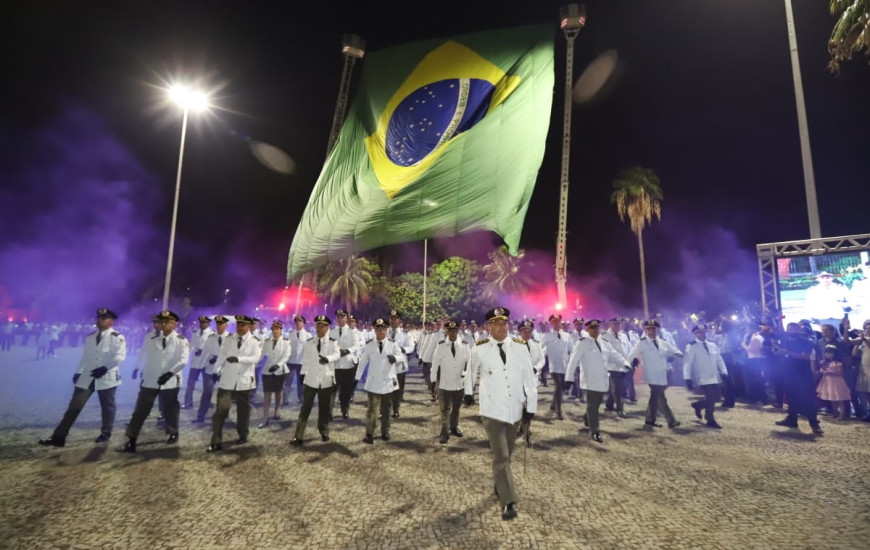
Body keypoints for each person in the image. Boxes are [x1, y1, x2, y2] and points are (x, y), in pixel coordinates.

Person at [464, 307, 538, 521]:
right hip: (492, 411)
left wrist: (530, 407)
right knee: (501, 455)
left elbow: (528, 378)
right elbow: (470, 372)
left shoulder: (520, 347)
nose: (500, 327)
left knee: (508, 452)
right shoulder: (479, 349)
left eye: (504, 323)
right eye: (495, 324)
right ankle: (508, 502)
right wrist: (469, 393)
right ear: (488, 327)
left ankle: (500, 483)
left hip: (515, 410)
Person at [38, 308, 126, 447]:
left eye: (104, 318)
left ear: (111, 321)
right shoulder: (91, 337)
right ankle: (59, 437)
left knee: (107, 406)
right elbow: (86, 357)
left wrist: (104, 368)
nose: (100, 320)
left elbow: (119, 357)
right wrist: (78, 371)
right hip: (88, 376)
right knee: (74, 406)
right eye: (99, 318)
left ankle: (106, 432)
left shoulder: (117, 337)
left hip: (107, 376)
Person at [117, 310, 189, 453]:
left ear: (174, 324)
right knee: (140, 411)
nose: (162, 324)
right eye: (161, 322)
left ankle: (173, 431)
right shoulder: (151, 338)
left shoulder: (181, 340)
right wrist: (137, 368)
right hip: (150, 380)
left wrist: (169, 373)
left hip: (170, 381)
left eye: (166, 322)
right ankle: (131, 440)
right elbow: (143, 353)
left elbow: (183, 360)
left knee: (171, 409)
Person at [207, 314, 262, 452]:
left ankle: (243, 434)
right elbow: (222, 356)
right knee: (221, 410)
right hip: (228, 380)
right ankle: (216, 440)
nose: (240, 327)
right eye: (238, 324)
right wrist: (216, 371)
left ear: (249, 326)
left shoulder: (255, 341)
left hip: (244, 381)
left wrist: (239, 359)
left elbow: (256, 359)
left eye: (243, 325)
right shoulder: (229, 339)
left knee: (243, 411)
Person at [566, 320, 627, 443]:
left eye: (596, 328)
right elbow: (573, 360)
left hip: (602, 379)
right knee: (593, 406)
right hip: (589, 380)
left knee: (597, 403)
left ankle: (586, 416)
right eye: (592, 328)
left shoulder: (604, 342)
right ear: (588, 329)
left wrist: (625, 363)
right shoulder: (582, 343)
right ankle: (595, 431)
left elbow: (614, 354)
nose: (595, 330)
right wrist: (569, 378)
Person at [290, 314, 341, 446]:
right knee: (305, 408)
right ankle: (298, 435)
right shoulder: (309, 342)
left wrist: (328, 358)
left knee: (324, 408)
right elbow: (306, 360)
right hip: (311, 379)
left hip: (325, 379)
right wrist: (302, 373)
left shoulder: (332, 342)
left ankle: (324, 431)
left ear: (327, 327)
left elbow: (337, 354)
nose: (319, 328)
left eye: (322, 326)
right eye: (317, 325)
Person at [627, 319, 683, 429]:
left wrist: (677, 353)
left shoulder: (662, 341)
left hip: (661, 373)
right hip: (651, 374)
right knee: (660, 396)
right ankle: (671, 420)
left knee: (655, 396)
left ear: (657, 330)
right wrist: (626, 364)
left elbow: (672, 349)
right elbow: (632, 353)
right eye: (648, 329)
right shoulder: (642, 342)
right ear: (645, 330)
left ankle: (650, 419)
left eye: (653, 329)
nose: (650, 331)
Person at [355, 318, 404, 443]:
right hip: (374, 382)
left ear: (386, 330)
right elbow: (363, 361)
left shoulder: (393, 344)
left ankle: (385, 431)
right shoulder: (369, 344)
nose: (380, 331)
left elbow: (401, 356)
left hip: (388, 381)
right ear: (374, 330)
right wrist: (357, 377)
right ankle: (369, 434)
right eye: (378, 329)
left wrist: (395, 358)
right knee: (372, 410)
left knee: (386, 409)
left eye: (382, 329)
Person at [775, 323, 824, 436]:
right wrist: (778, 351)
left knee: (808, 399)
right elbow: (779, 351)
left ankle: (814, 424)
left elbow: (805, 356)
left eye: (793, 328)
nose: (791, 330)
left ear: (798, 329)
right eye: (789, 328)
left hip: (802, 374)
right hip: (788, 373)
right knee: (792, 398)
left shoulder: (805, 340)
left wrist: (787, 352)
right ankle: (792, 419)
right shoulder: (785, 339)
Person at [682, 323, 728, 429]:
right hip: (702, 377)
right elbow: (687, 363)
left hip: (714, 376)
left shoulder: (712, 345)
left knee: (717, 397)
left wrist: (724, 372)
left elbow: (719, 359)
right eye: (700, 333)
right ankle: (710, 419)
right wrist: (687, 378)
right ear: (695, 334)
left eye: (704, 332)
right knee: (711, 397)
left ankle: (698, 405)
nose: (703, 334)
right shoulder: (692, 346)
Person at [431, 321, 470, 444]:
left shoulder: (464, 345)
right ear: (447, 331)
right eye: (450, 331)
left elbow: (469, 363)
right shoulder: (441, 345)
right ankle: (444, 432)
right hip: (445, 384)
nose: (453, 333)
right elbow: (435, 362)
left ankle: (453, 427)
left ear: (458, 331)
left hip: (459, 383)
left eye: (455, 330)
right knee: (445, 409)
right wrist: (433, 380)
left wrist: (466, 375)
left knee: (456, 409)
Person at [193, 315, 230, 423]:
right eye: (217, 324)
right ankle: (200, 416)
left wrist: (220, 359)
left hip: (224, 369)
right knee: (207, 393)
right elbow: (205, 353)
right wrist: (200, 367)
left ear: (226, 325)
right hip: (210, 368)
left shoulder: (231, 338)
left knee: (224, 394)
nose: (219, 326)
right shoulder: (211, 337)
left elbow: (233, 354)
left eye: (221, 324)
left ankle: (222, 415)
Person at [329, 309, 362, 419]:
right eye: (338, 317)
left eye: (342, 316)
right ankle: (329, 411)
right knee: (332, 389)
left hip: (348, 364)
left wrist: (347, 351)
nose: (340, 319)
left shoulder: (352, 331)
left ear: (346, 318)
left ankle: (345, 409)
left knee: (346, 390)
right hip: (335, 364)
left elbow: (357, 345)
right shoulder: (332, 331)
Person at [258, 319, 291, 428]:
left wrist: (278, 365)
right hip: (267, 370)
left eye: (277, 329)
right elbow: (261, 354)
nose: (275, 331)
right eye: (273, 329)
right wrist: (255, 361)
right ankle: (265, 418)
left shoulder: (286, 341)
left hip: (280, 370)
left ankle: (276, 410)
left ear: (281, 330)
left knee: (278, 392)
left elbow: (286, 355)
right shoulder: (267, 341)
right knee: (267, 394)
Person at [540, 313, 572, 419]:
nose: (557, 323)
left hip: (564, 365)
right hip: (554, 366)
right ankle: (559, 411)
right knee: (558, 386)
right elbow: (540, 348)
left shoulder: (567, 336)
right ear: (551, 323)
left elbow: (571, 350)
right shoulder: (547, 335)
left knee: (561, 387)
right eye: (554, 321)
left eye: (559, 321)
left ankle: (553, 404)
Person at [387, 310, 415, 418]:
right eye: (391, 318)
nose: (393, 320)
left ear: (400, 321)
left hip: (399, 366)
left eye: (395, 318)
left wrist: (401, 349)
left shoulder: (405, 334)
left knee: (397, 390)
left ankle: (395, 409)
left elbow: (411, 347)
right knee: (386, 389)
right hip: (387, 365)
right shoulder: (385, 332)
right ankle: (385, 410)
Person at [601, 317, 631, 418]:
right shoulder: (605, 336)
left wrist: (632, 359)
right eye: (615, 324)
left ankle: (609, 404)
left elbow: (629, 348)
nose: (617, 326)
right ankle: (620, 409)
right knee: (618, 389)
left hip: (623, 366)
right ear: (610, 324)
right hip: (612, 366)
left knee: (616, 388)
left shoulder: (624, 335)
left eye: (619, 324)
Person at [183, 316, 213, 409]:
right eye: (201, 322)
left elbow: (212, 349)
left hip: (206, 362)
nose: (202, 324)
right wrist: (187, 357)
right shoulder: (195, 333)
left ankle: (207, 402)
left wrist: (202, 351)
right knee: (190, 384)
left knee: (207, 386)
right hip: (195, 362)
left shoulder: (212, 334)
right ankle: (188, 402)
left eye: (204, 323)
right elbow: (191, 346)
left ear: (208, 323)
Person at [816, 344, 851, 420]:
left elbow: (840, 373)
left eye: (830, 353)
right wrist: (822, 371)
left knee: (839, 399)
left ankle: (842, 414)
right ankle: (835, 413)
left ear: (835, 354)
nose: (828, 354)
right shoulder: (824, 362)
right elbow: (821, 370)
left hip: (836, 382)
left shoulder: (838, 363)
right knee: (832, 398)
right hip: (827, 382)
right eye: (827, 353)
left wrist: (829, 372)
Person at [283, 315, 311, 405]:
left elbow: (310, 349)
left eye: (300, 321)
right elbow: (286, 347)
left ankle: (301, 398)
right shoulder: (290, 334)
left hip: (302, 361)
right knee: (288, 381)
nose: (298, 323)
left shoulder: (308, 335)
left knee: (301, 382)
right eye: (296, 321)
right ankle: (285, 399)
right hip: (291, 361)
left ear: (304, 323)